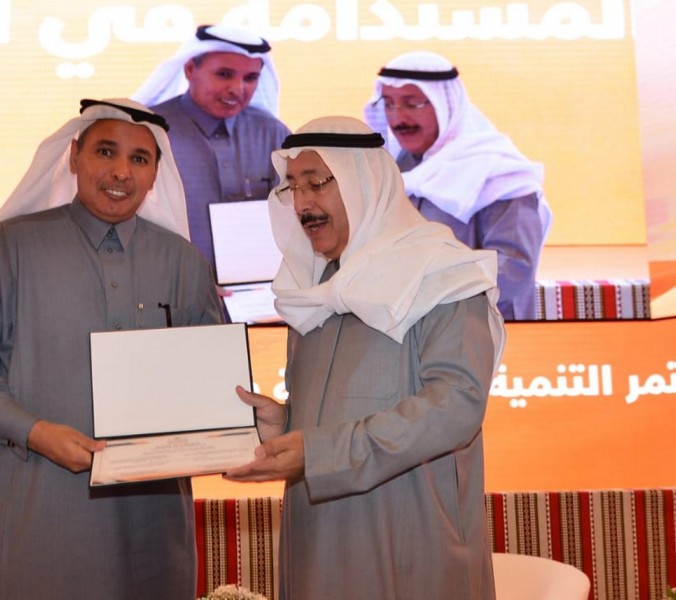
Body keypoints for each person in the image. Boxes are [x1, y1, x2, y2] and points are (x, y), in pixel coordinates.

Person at [0, 99, 222, 599]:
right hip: (33, 499)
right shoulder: (11, 246)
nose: (121, 171)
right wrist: (34, 431)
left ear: (155, 175)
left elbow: (209, 380)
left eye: (139, 159)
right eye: (105, 151)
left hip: (150, 516)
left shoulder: (183, 261)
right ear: (75, 155)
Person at [224, 116, 506, 598]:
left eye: (317, 183)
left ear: (366, 186)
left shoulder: (441, 274)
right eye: (292, 187)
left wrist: (322, 453)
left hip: (412, 541)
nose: (302, 204)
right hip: (317, 540)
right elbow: (344, 413)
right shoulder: (313, 293)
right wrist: (286, 423)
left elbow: (456, 405)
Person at [364, 51, 551, 321]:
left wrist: (424, 287)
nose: (398, 118)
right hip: (407, 328)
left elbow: (513, 271)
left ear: (446, 104)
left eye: (411, 104)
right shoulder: (395, 168)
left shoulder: (498, 172)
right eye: (389, 104)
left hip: (484, 330)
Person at [133, 23, 291, 270]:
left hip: (260, 289)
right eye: (224, 74)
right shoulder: (148, 131)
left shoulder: (273, 134)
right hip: (169, 284)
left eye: (250, 78)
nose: (237, 89)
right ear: (189, 70)